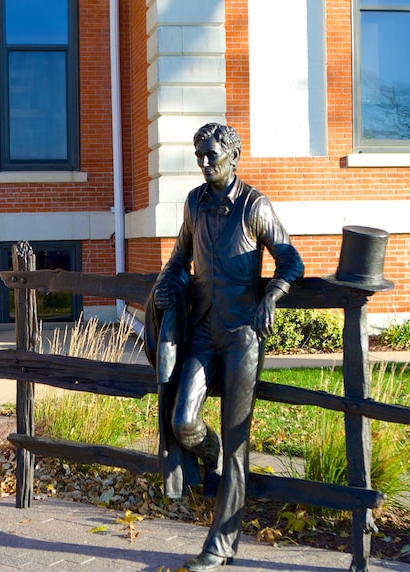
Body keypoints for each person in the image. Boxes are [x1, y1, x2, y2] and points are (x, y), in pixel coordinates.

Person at [150, 122, 304, 571]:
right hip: (201, 330)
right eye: (199, 155)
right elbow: (180, 258)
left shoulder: (255, 206)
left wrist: (273, 295)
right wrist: (167, 284)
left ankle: (221, 544)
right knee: (182, 421)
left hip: (242, 338)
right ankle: (208, 454)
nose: (204, 163)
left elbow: (290, 258)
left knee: (239, 442)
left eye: (212, 155)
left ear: (233, 157)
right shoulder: (194, 203)